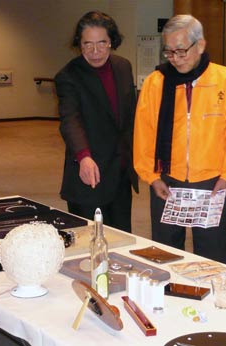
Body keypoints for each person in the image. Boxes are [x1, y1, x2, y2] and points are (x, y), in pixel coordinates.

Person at [133, 14, 226, 264]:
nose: (175, 58)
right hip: (166, 181)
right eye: (169, 52)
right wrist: (151, 177)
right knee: (165, 257)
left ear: (201, 45)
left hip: (212, 183)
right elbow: (144, 134)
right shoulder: (157, 82)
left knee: (212, 259)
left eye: (181, 51)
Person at [55, 11, 138, 231]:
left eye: (102, 43)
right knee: (90, 243)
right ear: (79, 44)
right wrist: (83, 156)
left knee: (121, 237)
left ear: (112, 41)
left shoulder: (123, 67)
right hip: (90, 171)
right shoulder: (68, 75)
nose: (95, 51)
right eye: (87, 44)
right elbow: (70, 120)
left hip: (120, 170)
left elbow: (129, 116)